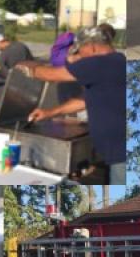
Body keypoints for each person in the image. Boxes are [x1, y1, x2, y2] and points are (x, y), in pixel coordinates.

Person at [26, 26, 127, 183]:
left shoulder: (98, 63)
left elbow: (51, 75)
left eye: (81, 50)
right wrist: (49, 113)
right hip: (116, 150)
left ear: (92, 46)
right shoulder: (118, 60)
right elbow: (84, 100)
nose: (80, 55)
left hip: (121, 154)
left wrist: (29, 67)